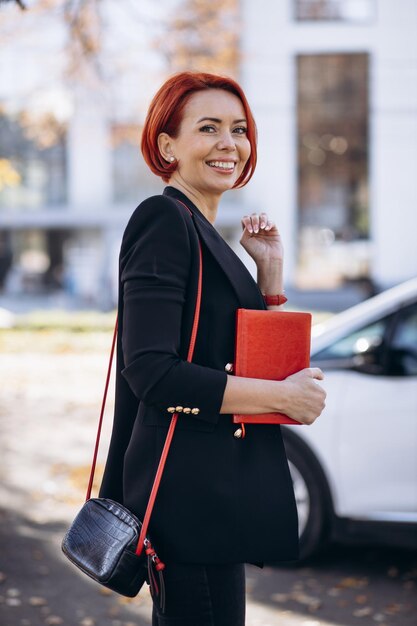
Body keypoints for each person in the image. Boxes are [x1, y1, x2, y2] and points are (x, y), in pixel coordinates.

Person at [99, 71, 326, 626]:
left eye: (239, 129)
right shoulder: (163, 221)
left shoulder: (202, 233)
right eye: (209, 128)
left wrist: (268, 276)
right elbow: (151, 372)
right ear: (167, 145)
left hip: (215, 496)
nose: (230, 143)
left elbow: (253, 360)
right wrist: (281, 396)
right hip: (187, 501)